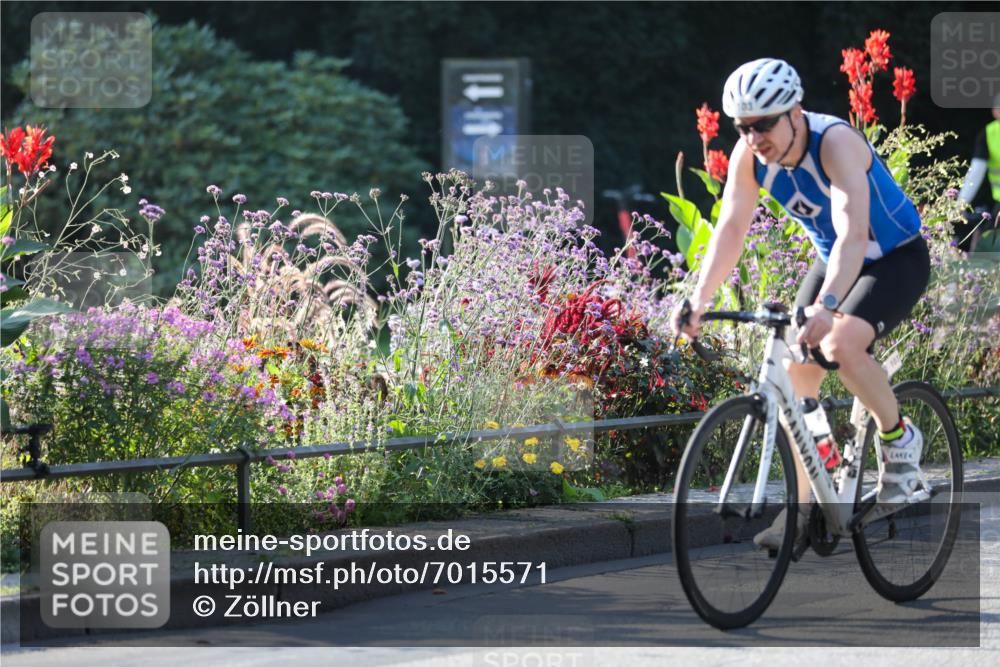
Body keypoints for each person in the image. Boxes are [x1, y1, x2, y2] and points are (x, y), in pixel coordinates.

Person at [670, 58, 930, 550]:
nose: (754, 138)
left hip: (894, 257)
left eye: (765, 124)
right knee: (795, 373)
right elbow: (730, 230)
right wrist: (698, 299)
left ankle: (900, 441)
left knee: (841, 343)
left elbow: (855, 233)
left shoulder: (834, 143)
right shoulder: (751, 159)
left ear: (795, 112)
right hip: (836, 259)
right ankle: (808, 507)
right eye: (744, 128)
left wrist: (829, 305)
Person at [957, 92, 1000, 251]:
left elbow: (976, 172)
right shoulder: (990, 134)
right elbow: (976, 171)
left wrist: (960, 203)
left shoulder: (989, 133)